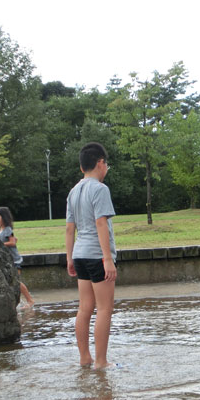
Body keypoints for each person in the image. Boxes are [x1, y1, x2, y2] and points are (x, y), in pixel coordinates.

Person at [65, 142, 117, 370]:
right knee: (105, 308)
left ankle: (84, 357)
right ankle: (101, 361)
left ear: (81, 167)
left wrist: (69, 258)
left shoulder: (73, 191)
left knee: (84, 307)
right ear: (100, 163)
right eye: (106, 164)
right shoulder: (100, 189)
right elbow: (100, 222)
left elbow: (69, 228)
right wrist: (107, 259)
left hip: (79, 254)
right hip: (97, 256)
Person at [0, 207, 35, 308]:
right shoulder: (1, 231)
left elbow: (12, 242)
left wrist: (1, 244)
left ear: (4, 217)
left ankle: (30, 300)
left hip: (14, 261)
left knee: (16, 282)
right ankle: (18, 302)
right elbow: (14, 239)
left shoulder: (7, 229)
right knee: (12, 282)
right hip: (8, 261)